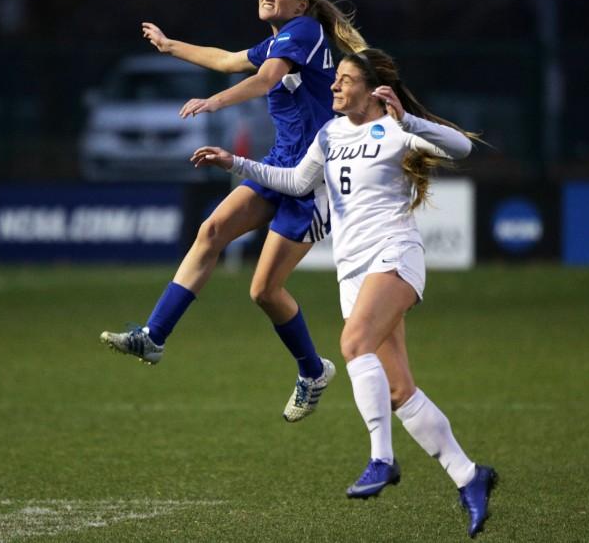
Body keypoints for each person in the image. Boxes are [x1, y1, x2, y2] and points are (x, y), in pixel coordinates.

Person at [190, 48, 497, 537]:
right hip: (352, 271)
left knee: (353, 343)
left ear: (372, 91)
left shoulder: (396, 129)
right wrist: (235, 161)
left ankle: (381, 458)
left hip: (395, 255)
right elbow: (293, 181)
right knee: (399, 391)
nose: (334, 87)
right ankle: (469, 475)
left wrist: (409, 118)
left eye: (345, 81)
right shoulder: (330, 134)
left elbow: (461, 148)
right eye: (335, 80)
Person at [100, 0, 370, 423]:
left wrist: (213, 101)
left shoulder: (303, 31)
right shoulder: (282, 39)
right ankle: (154, 335)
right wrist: (169, 46)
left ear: (302, 4)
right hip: (281, 165)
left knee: (264, 290)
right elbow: (226, 60)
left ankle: (312, 371)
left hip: (316, 181)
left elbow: (264, 81)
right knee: (212, 230)